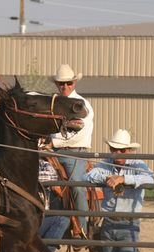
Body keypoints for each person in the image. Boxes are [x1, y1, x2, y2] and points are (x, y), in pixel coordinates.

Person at [84, 129, 154, 252]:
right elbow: (89, 176)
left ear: (129, 150)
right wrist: (107, 179)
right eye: (115, 149)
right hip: (108, 224)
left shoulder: (138, 165)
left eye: (122, 151)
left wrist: (124, 179)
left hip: (129, 225)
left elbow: (150, 179)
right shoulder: (106, 164)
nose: (118, 154)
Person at [50, 64, 94, 239]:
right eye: (61, 84)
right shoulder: (52, 104)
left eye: (68, 83)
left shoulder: (82, 105)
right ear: (57, 84)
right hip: (51, 151)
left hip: (74, 153)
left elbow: (80, 131)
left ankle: (81, 229)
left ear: (74, 83)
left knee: (77, 184)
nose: (65, 87)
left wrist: (53, 142)